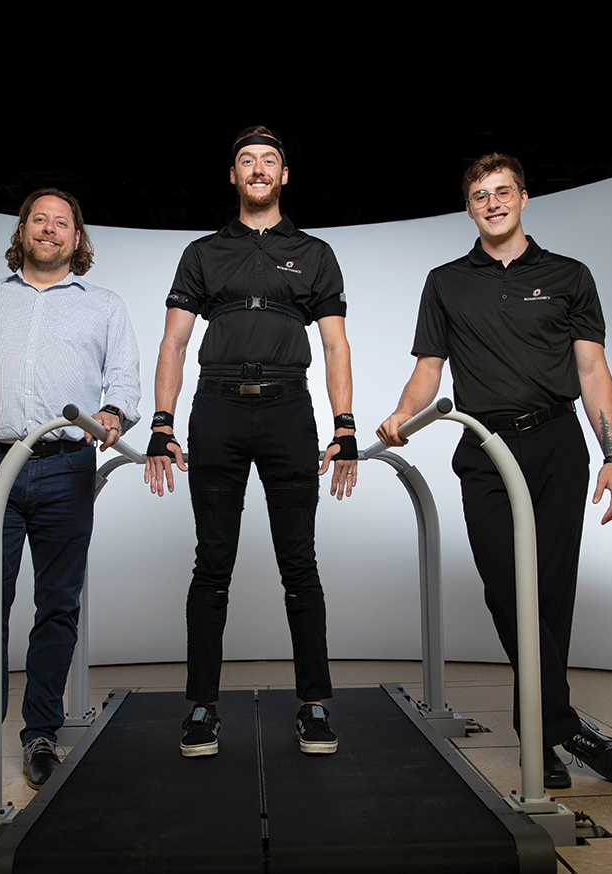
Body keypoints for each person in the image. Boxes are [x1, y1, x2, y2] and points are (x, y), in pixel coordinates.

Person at [375, 153, 612, 790]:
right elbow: (429, 370)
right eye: (479, 196)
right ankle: (561, 723)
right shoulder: (445, 281)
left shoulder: (570, 276)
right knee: (506, 589)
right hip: (486, 449)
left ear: (524, 197)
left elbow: (592, 370)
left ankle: (541, 736)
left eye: (502, 192)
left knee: (551, 595)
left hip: (556, 444)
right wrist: (401, 415)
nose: (492, 203)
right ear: (468, 208)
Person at [0, 188, 140, 815]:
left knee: (57, 605)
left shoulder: (104, 307)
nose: (49, 230)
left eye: (61, 222)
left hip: (67, 466)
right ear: (23, 231)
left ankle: (41, 734)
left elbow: (123, 380)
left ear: (78, 237)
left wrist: (113, 413)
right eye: (38, 220)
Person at [145, 126, 357, 758]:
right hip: (218, 410)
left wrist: (344, 425)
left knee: (301, 566)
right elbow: (174, 343)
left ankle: (314, 707)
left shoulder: (314, 252)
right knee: (212, 564)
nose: (258, 169)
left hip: (291, 411)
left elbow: (336, 344)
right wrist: (162, 422)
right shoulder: (204, 252)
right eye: (247, 161)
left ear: (284, 175)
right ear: (233, 176)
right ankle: (202, 709)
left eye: (269, 161)